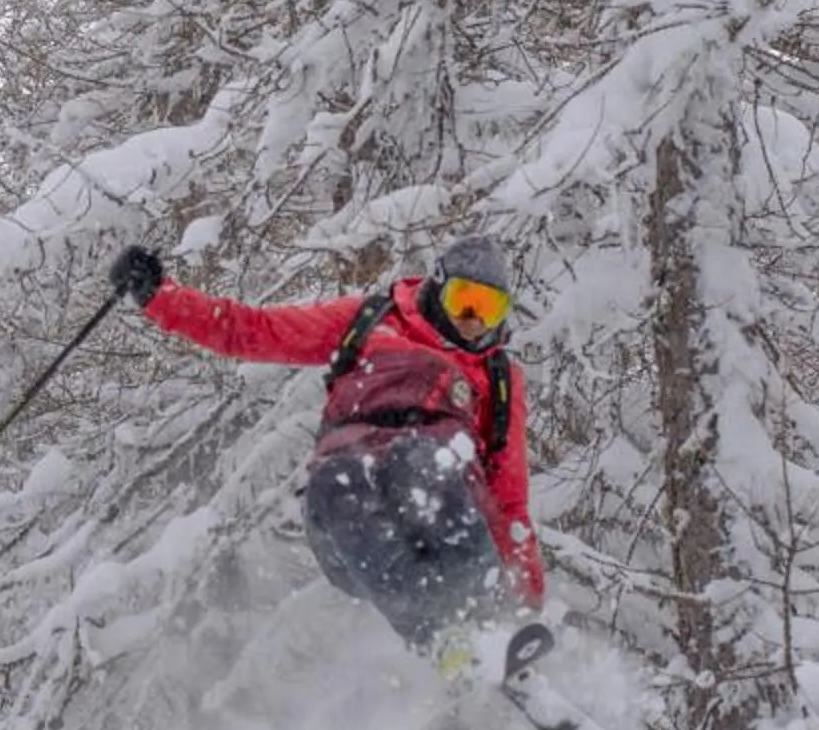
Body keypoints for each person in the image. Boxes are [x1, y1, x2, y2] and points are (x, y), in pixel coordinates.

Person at [107, 234, 546, 685]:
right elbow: (253, 330)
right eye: (464, 301)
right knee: (336, 480)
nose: (473, 321)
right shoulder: (373, 321)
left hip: (441, 501)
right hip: (353, 518)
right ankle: (443, 634)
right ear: (437, 287)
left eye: (488, 308)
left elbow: (510, 498)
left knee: (421, 459)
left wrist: (526, 597)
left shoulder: (496, 377)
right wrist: (160, 297)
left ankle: (489, 623)